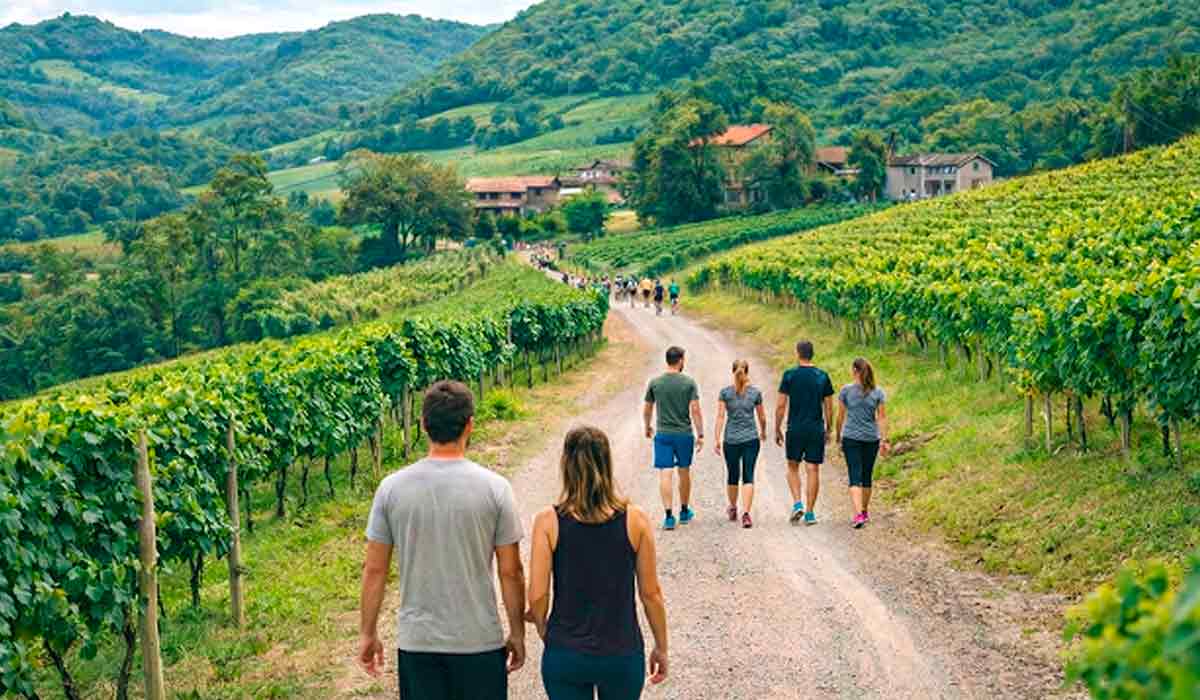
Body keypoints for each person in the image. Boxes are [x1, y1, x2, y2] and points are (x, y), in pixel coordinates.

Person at [359, 381, 526, 697]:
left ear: (423, 425)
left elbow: (375, 570)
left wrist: (367, 633)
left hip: (418, 644)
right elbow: (511, 571)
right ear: (470, 425)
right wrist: (517, 633)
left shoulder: (391, 489)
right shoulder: (495, 488)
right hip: (480, 642)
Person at [526, 426, 670, 700]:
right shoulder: (635, 520)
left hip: (566, 654)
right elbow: (651, 594)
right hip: (622, 653)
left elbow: (537, 595)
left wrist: (546, 631)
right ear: (607, 463)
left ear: (565, 464)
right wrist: (661, 646)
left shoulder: (548, 522)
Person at [774, 340, 834, 526]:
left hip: (795, 427)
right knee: (813, 469)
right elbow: (829, 407)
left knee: (793, 466)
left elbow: (781, 405)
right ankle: (809, 513)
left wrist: (777, 427)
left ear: (797, 353)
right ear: (812, 354)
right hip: (816, 427)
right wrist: (828, 428)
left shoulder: (790, 375)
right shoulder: (822, 376)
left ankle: (797, 502)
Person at [644, 346, 704, 530]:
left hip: (663, 434)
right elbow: (695, 410)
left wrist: (647, 426)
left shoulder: (655, 383)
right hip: (684, 434)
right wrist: (700, 433)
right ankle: (684, 511)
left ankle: (669, 516)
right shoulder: (689, 383)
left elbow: (647, 408)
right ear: (680, 360)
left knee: (665, 473)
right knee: (684, 472)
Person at [836, 358, 890, 529]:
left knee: (854, 476)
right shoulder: (878, 392)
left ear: (854, 370)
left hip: (851, 437)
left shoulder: (846, 391)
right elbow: (882, 418)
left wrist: (838, 435)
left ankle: (858, 514)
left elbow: (840, 416)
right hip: (871, 438)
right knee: (866, 477)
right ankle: (864, 512)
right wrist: (884, 439)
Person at [714, 360, 766, 528]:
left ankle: (733, 507)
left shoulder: (725, 393)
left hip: (731, 440)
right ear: (747, 372)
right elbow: (762, 417)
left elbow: (721, 417)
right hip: (751, 439)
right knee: (748, 475)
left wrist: (716, 438)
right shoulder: (755, 393)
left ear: (733, 371)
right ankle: (746, 514)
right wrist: (763, 431)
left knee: (732, 475)